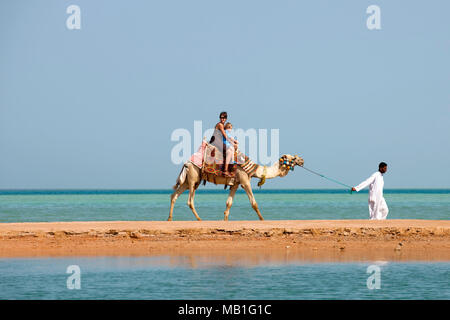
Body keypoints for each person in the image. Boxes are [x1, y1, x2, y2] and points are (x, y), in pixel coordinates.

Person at [209, 112, 238, 177]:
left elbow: (228, 136)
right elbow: (225, 136)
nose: (222, 119)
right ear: (219, 118)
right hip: (215, 141)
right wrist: (233, 143)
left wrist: (234, 141)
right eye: (221, 117)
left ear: (226, 119)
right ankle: (225, 170)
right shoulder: (220, 125)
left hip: (219, 141)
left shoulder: (223, 126)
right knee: (229, 151)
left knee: (230, 149)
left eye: (224, 118)